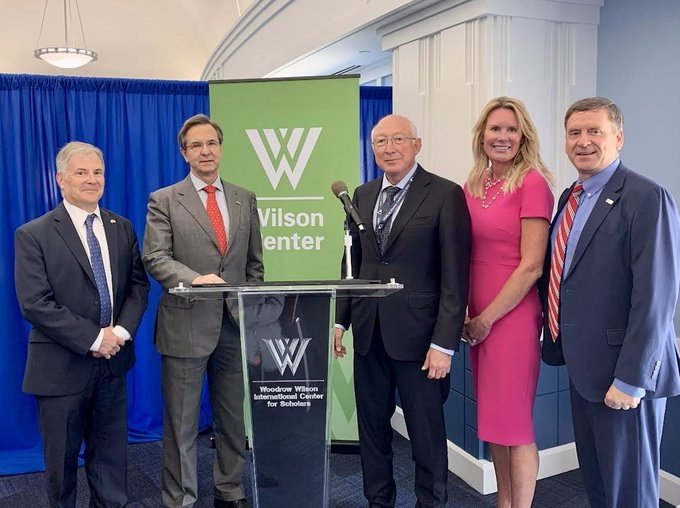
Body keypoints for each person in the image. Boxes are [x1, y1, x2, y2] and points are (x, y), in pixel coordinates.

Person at [541, 97, 680, 507]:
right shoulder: (571, 196)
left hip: (624, 374)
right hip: (584, 369)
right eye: (574, 133)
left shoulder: (646, 196)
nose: (583, 141)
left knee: (631, 493)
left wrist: (632, 379)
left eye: (594, 131)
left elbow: (656, 297)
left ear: (618, 137)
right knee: (599, 486)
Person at [334, 114, 471, 507]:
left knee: (425, 434)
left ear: (417, 144)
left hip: (421, 340)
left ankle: (431, 502)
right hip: (369, 333)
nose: (389, 148)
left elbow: (454, 277)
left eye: (398, 139)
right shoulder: (361, 195)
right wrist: (341, 319)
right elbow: (351, 263)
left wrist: (444, 344)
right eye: (380, 142)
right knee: (372, 430)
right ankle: (379, 500)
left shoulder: (445, 194)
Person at [14, 141, 150, 507]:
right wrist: (94, 338)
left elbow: (138, 287)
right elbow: (34, 303)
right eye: (81, 172)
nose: (92, 179)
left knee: (111, 463)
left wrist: (119, 333)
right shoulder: (34, 234)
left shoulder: (121, 228)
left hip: (114, 363)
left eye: (97, 172)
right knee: (61, 468)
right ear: (60, 179)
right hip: (60, 369)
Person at [142, 114, 264, 508]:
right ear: (184, 153)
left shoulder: (245, 197)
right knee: (181, 424)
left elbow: (254, 265)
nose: (205, 151)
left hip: (234, 324)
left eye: (211, 143)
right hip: (186, 323)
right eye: (196, 145)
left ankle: (230, 491)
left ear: (221, 147)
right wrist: (196, 278)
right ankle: (181, 499)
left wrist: (254, 311)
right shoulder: (164, 199)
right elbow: (155, 257)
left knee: (232, 418)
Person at [463, 97, 554, 507]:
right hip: (477, 318)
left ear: (523, 138)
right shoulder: (473, 185)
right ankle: (505, 502)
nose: (502, 136)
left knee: (515, 426)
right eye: (495, 129)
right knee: (496, 423)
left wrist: (486, 319)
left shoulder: (532, 183)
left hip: (510, 317)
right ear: (482, 136)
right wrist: (469, 316)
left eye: (511, 130)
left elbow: (532, 266)